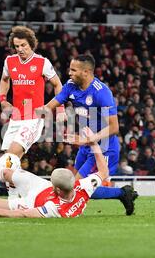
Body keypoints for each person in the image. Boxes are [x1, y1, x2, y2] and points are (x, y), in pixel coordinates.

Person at [0, 127, 138, 218]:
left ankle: (12, 194)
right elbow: (103, 171)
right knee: (8, 172)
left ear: (55, 189)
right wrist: (93, 144)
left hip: (31, 200)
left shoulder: (53, 208)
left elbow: (25, 214)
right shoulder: (83, 187)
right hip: (42, 186)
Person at [42, 54, 135, 215]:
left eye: (73, 70)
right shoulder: (71, 86)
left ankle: (122, 193)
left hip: (103, 146)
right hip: (86, 144)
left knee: (77, 186)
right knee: (74, 184)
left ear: (86, 72)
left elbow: (114, 127)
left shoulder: (102, 92)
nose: (69, 73)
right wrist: (29, 116)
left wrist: (90, 139)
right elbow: (50, 106)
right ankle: (122, 194)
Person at [0, 26, 62, 185]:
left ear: (31, 44)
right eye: (17, 46)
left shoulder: (42, 62)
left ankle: (36, 188)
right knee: (8, 163)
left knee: (10, 157)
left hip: (34, 118)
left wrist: (58, 108)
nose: (20, 49)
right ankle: (17, 198)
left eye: (23, 45)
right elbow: (4, 80)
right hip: (16, 118)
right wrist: (3, 100)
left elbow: (58, 84)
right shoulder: (9, 61)